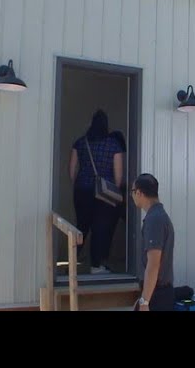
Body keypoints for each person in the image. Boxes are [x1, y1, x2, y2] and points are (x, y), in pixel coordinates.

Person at [69, 109, 124, 274]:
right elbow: (118, 173)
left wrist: (78, 184)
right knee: (101, 228)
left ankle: (71, 262)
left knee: (81, 226)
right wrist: (114, 188)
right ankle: (96, 265)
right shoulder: (114, 145)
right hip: (105, 193)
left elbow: (71, 168)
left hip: (82, 190)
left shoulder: (80, 142)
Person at [131, 173, 175, 311]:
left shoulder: (155, 219)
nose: (132, 196)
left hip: (157, 295)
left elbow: (153, 264)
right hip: (156, 292)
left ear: (139, 193)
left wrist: (145, 301)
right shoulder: (159, 216)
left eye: (132, 192)